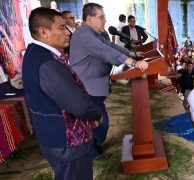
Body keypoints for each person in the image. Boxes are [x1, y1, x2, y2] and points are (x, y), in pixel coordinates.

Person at [22, 7, 102, 179]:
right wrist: (96, 114)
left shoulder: (34, 53)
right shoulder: (47, 63)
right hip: (67, 142)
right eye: (61, 28)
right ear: (43, 31)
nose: (67, 32)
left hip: (53, 136)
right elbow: (79, 105)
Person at [69, 3, 148, 158]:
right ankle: (91, 152)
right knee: (100, 122)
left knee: (99, 120)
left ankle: (93, 149)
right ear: (90, 18)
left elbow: (110, 46)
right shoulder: (84, 35)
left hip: (94, 86)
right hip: (87, 87)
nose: (104, 21)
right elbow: (105, 51)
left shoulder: (94, 33)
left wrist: (131, 54)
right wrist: (133, 63)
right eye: (101, 17)